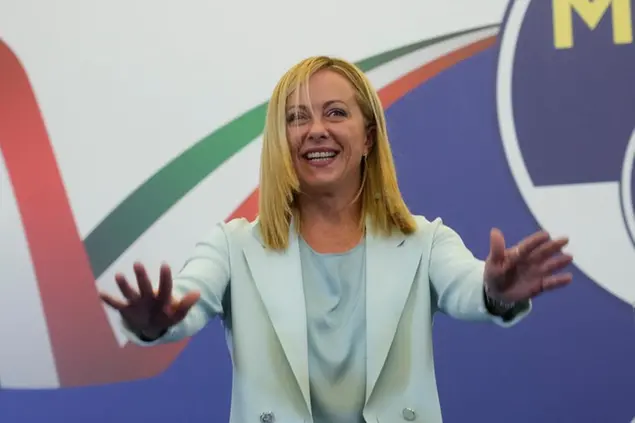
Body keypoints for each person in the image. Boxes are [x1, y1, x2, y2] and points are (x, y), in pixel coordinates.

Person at [100, 56, 573, 423]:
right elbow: (189, 297)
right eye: (296, 117)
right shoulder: (234, 246)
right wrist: (156, 322)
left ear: (368, 137)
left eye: (335, 113)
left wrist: (497, 292)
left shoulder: (425, 241)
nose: (316, 130)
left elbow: (471, 287)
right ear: (279, 139)